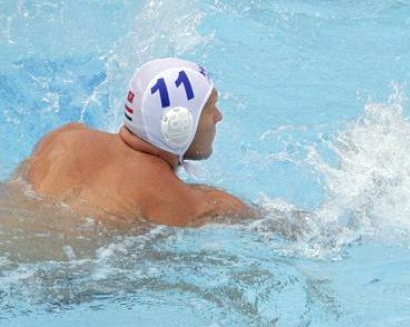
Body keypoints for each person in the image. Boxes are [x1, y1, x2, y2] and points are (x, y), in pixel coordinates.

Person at [10, 58, 253, 227]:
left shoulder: (62, 138)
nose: (218, 117)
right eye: (210, 108)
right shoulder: (186, 203)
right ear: (178, 123)